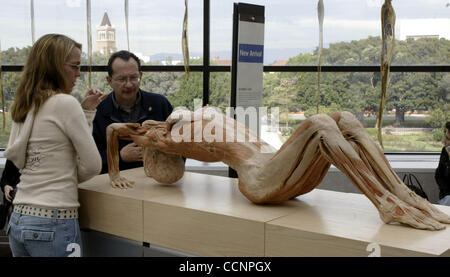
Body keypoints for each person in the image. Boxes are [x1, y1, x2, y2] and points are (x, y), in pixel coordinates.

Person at [4, 33, 104, 257]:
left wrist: (86, 112)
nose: (79, 74)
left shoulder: (25, 104)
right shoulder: (65, 103)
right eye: (75, 66)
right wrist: (64, 176)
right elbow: (93, 164)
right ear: (55, 67)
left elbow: (21, 158)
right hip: (54, 221)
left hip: (19, 218)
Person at [93, 50, 174, 174]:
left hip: (158, 183)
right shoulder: (97, 113)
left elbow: (181, 146)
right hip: (113, 186)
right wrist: (119, 156)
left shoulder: (160, 104)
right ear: (109, 80)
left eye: (133, 78)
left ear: (140, 76)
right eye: (121, 79)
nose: (129, 84)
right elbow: (88, 162)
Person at [436, 121, 450, 206]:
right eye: (445, 137)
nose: (444, 141)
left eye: (448, 139)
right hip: (446, 196)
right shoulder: (445, 151)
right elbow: (438, 175)